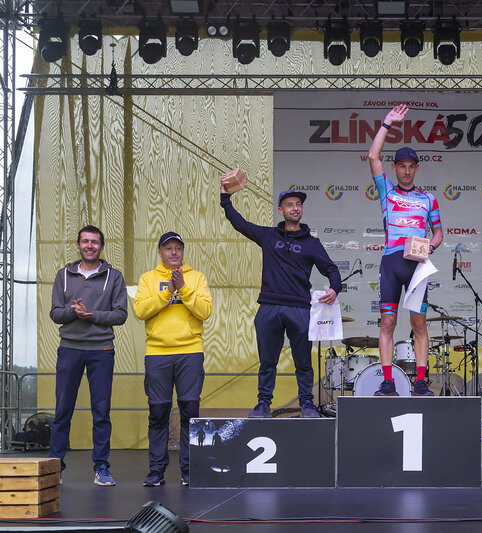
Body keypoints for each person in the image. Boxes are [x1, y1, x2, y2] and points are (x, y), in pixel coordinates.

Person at [221, 177, 341, 418]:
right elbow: (240, 223)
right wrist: (225, 199)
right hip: (269, 306)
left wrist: (334, 288)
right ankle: (263, 403)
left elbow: (331, 269)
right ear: (281, 210)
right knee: (267, 361)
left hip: (299, 308)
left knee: (303, 362)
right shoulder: (268, 236)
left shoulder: (312, 243)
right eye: (289, 205)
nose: (295, 208)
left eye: (298, 204)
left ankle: (307, 404)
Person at [367, 104, 444, 397]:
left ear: (417, 169)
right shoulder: (387, 191)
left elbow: (438, 233)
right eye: (402, 166)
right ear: (395, 168)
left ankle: (421, 382)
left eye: (412, 166)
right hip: (390, 263)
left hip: (416, 266)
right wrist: (387, 122)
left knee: (418, 323)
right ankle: (387, 382)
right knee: (388, 322)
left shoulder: (429, 199)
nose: (407, 171)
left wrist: (429, 246)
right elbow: (373, 156)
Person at [49, 225, 128, 486]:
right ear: (78, 245)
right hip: (69, 348)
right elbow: (55, 313)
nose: (90, 246)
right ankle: (55, 467)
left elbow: (120, 315)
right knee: (62, 409)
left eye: (94, 242)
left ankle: (101, 467)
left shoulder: (114, 276)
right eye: (85, 241)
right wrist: (73, 312)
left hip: (101, 349)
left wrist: (91, 315)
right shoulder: (63, 275)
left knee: (101, 411)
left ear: (102, 247)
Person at [134, 232, 212, 487]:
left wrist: (183, 288)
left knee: (190, 412)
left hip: (190, 352)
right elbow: (141, 311)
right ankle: (156, 471)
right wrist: (168, 290)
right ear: (160, 252)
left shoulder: (196, 277)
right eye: (168, 248)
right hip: (157, 354)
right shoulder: (148, 278)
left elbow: (205, 311)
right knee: (158, 412)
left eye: (178, 248)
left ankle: (189, 470)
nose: (174, 252)